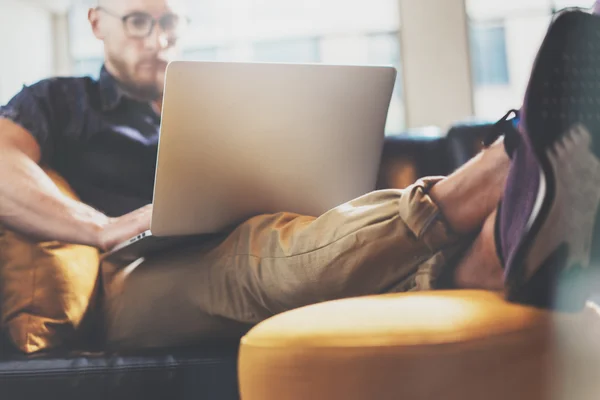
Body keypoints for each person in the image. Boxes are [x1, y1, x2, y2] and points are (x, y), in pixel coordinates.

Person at [0, 0, 598, 350]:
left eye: (172, 22)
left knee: (282, 232)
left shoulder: (214, 98)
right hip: (132, 280)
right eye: (137, 21)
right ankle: (502, 167)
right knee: (256, 248)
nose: (159, 39)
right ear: (96, 23)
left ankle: (493, 257)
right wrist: (104, 227)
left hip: (249, 236)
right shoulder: (59, 101)